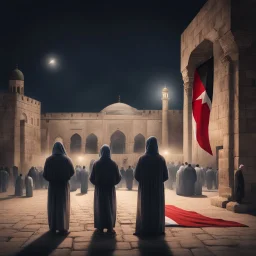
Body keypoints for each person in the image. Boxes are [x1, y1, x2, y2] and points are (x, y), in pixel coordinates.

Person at [134, 137, 168, 236]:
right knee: (156, 208)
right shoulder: (161, 159)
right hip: (157, 189)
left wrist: (145, 181)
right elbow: (165, 176)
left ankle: (145, 228)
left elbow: (136, 175)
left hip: (145, 189)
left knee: (145, 207)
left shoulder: (142, 159)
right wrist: (156, 181)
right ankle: (157, 229)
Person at [43, 142, 75, 234]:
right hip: (63, 186)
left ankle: (53, 227)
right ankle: (63, 227)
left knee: (53, 205)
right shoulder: (67, 159)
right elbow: (72, 172)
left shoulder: (49, 160)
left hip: (53, 186)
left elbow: (45, 174)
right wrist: (65, 177)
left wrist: (51, 179)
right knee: (63, 206)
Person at [90, 145, 121, 235]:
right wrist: (112, 183)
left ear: (101, 152)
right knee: (110, 207)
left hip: (100, 190)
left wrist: (97, 184)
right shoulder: (113, 164)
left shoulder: (96, 164)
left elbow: (91, 178)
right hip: (110, 189)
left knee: (100, 207)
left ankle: (100, 227)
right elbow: (118, 178)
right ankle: (110, 227)